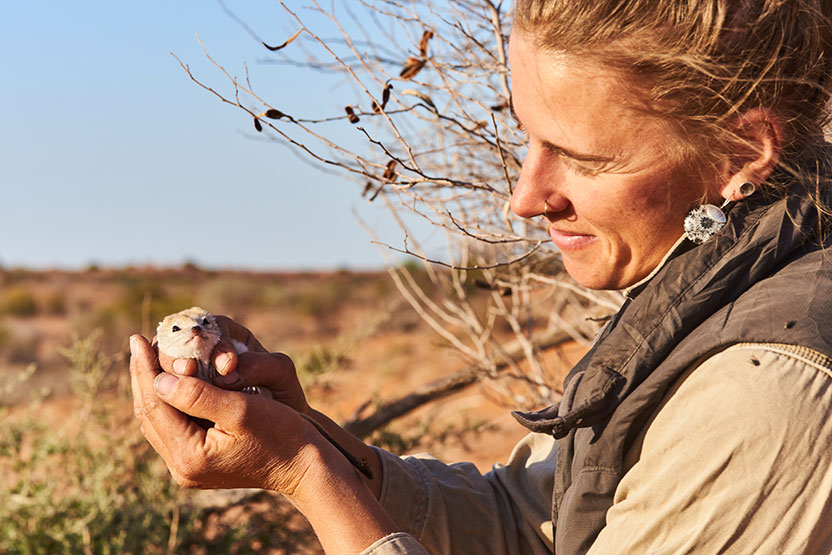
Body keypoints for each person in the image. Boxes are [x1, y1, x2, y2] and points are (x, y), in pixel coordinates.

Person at [129, 0, 832, 552]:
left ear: (742, 152)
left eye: (582, 158)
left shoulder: (767, 394)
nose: (525, 198)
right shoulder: (713, 276)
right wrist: (313, 440)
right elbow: (534, 524)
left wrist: (306, 474)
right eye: (528, 136)